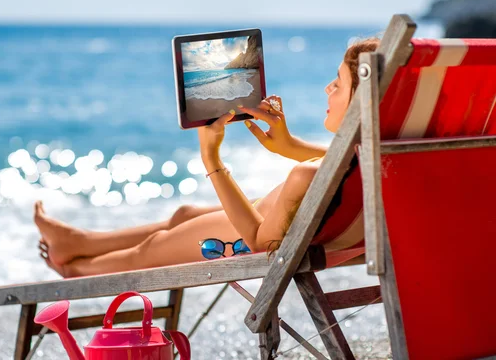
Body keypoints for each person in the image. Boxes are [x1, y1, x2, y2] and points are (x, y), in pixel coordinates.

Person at [35, 38, 380, 278]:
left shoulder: (305, 179)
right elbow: (342, 165)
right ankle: (79, 242)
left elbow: (261, 243)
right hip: (274, 217)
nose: (327, 89)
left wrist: (210, 157)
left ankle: (73, 268)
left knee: (153, 250)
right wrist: (288, 146)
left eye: (338, 82)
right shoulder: (382, 155)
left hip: (247, 236)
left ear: (361, 100)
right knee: (183, 214)